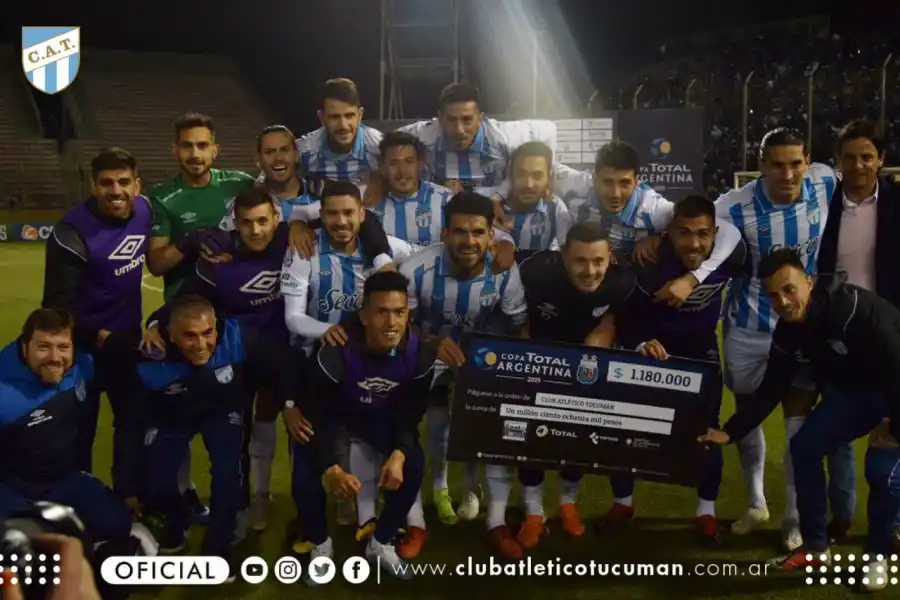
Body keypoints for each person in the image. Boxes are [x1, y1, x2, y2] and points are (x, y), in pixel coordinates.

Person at [700, 248, 900, 591]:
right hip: (857, 394)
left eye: (789, 289)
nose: (783, 301)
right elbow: (770, 390)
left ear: (809, 282)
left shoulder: (853, 310)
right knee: (804, 447)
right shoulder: (789, 332)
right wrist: (729, 432)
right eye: (774, 295)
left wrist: (894, 425)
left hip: (895, 391)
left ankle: (877, 556)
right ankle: (817, 547)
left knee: (881, 471)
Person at [714, 127, 850, 551]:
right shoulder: (732, 207)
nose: (788, 173)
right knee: (749, 411)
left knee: (797, 425)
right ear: (761, 165)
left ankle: (793, 515)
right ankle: (756, 502)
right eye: (777, 164)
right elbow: (688, 227)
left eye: (796, 163)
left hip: (801, 328)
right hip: (747, 328)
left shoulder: (825, 181)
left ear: (808, 161)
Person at [144, 187, 291, 531]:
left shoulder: (291, 244)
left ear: (276, 220)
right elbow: (188, 300)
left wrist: (299, 228)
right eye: (246, 223)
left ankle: (265, 497)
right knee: (236, 434)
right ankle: (240, 504)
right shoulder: (219, 258)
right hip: (235, 357)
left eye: (262, 221)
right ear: (235, 224)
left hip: (282, 353)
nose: (255, 230)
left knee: (281, 421)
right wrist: (155, 323)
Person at [604, 195, 747, 547]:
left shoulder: (731, 256)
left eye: (702, 234)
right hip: (651, 354)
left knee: (706, 434)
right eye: (684, 233)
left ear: (714, 234)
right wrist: (639, 343)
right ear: (668, 233)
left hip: (701, 355)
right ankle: (623, 503)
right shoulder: (649, 262)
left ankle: (706, 512)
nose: (694, 243)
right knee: (625, 426)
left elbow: (738, 245)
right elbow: (626, 314)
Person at [280, 180, 414, 556]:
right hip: (312, 369)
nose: (340, 221)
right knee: (307, 450)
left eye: (348, 213)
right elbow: (292, 318)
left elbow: (428, 254)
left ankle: (362, 510)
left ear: (362, 215)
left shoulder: (383, 249)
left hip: (367, 369)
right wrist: (332, 331)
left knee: (373, 442)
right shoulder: (303, 250)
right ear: (321, 216)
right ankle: (314, 529)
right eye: (332, 213)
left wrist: (500, 240)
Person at [399, 191, 529, 558]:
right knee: (411, 428)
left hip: (484, 362)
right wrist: (428, 343)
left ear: (492, 236)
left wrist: (517, 373)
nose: (468, 241)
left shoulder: (506, 273)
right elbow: (396, 327)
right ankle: (418, 515)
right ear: (444, 234)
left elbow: (520, 326)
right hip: (425, 356)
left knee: (491, 429)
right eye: (459, 231)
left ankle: (493, 516)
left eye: (477, 232)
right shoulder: (416, 269)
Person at [134, 294, 297, 578]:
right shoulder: (150, 356)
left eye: (207, 333)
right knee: (156, 475)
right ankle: (177, 521)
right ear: (170, 335)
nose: (201, 344)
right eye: (189, 336)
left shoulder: (239, 337)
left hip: (224, 411)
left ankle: (218, 548)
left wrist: (289, 405)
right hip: (172, 417)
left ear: (216, 328)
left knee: (228, 474)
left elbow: (279, 367)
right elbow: (132, 418)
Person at [146, 112, 256, 519]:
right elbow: (156, 264)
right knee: (177, 415)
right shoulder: (162, 196)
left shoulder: (241, 184)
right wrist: (189, 243)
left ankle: (235, 498)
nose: (195, 154)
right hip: (183, 322)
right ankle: (183, 492)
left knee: (232, 415)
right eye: (187, 146)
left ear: (216, 149)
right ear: (175, 150)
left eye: (202, 145)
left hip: (230, 319)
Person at [508, 221, 634, 556]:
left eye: (598, 261)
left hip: (584, 369)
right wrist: (523, 344)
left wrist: (609, 324)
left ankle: (567, 502)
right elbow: (506, 266)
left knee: (576, 434)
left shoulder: (623, 281)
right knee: (530, 438)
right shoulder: (536, 271)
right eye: (580, 260)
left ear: (611, 258)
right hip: (538, 363)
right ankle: (534, 511)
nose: (590, 271)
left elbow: (622, 312)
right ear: (563, 256)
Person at [301, 270, 436, 579]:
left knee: (413, 464)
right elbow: (317, 413)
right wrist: (330, 467)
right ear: (363, 316)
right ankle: (320, 543)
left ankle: (381, 541)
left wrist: (400, 452)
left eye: (399, 312)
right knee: (305, 473)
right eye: (381, 312)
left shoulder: (420, 355)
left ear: (408, 314)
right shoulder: (335, 352)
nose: (391, 323)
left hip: (381, 418)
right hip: (335, 417)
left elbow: (410, 412)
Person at [40, 147, 151, 496]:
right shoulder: (71, 232)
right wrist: (101, 336)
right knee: (79, 432)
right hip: (85, 350)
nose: (115, 191)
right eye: (106, 183)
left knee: (133, 426)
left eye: (123, 182)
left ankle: (128, 500)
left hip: (129, 341)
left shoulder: (145, 210)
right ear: (93, 185)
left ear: (136, 185)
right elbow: (58, 306)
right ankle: (81, 504)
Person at [814, 120, 899, 544]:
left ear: (881, 160)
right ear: (839, 161)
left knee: (892, 432)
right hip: (839, 334)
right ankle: (842, 514)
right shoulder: (821, 207)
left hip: (889, 335)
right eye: (850, 156)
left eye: (867, 156)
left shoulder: (898, 204)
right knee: (838, 431)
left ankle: (892, 524)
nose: (859, 164)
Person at [0, 309, 134, 554]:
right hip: (13, 488)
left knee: (117, 523)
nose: (54, 357)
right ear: (24, 345)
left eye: (63, 347)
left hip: (65, 480)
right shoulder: (3, 390)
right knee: (20, 551)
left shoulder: (82, 365)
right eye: (43, 347)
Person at [398, 83, 557, 197]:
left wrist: (549, 179)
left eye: (467, 120)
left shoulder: (503, 136)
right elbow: (382, 142)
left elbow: (548, 129)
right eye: (451, 120)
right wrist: (378, 176)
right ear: (439, 119)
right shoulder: (423, 134)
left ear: (480, 118)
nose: (459, 130)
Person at [295, 78, 382, 187]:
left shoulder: (379, 147)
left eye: (349, 116)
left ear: (360, 115)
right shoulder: (305, 150)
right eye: (334, 117)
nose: (343, 126)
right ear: (321, 117)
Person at [499, 141, 571, 260]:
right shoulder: (495, 208)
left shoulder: (556, 208)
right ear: (511, 176)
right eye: (521, 174)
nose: (528, 184)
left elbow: (565, 250)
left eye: (537, 176)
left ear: (549, 178)